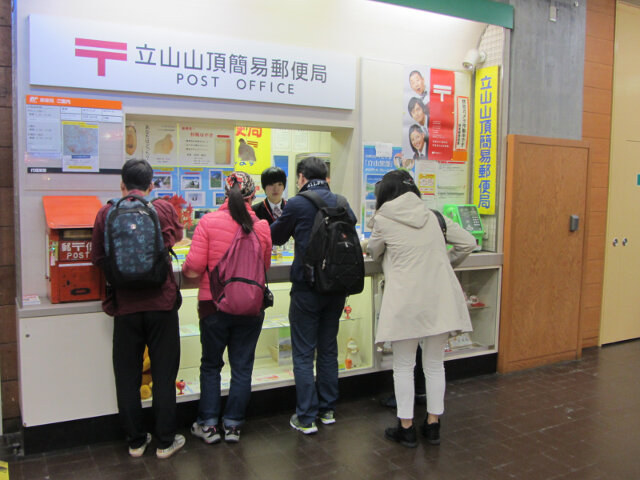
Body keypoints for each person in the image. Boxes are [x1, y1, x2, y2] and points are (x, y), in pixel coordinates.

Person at [366, 169, 475, 448]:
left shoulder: (382, 219)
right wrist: (444, 264)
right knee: (435, 364)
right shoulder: (434, 216)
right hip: (439, 298)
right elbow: (469, 242)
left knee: (403, 366)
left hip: (405, 300)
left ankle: (406, 428)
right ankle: (433, 425)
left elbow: (374, 251)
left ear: (385, 194)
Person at [91, 158, 185, 459]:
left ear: (121, 185)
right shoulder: (162, 209)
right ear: (151, 185)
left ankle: (135, 441)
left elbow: (99, 257)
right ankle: (166, 441)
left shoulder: (107, 212)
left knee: (128, 375)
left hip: (125, 306)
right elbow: (177, 237)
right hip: (162, 303)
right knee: (164, 372)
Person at [183, 171, 271, 444]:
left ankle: (208, 425)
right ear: (253, 195)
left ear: (225, 194)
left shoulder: (208, 222)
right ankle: (233, 425)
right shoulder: (263, 226)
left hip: (214, 306)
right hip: (250, 305)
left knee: (211, 365)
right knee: (242, 367)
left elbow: (194, 267)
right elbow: (264, 267)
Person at [270, 156, 357, 434]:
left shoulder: (297, 203)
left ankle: (306, 417)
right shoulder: (342, 202)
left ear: (302, 177)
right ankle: (328, 410)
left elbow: (276, 237)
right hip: (336, 288)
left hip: (307, 289)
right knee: (328, 348)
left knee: (304, 353)